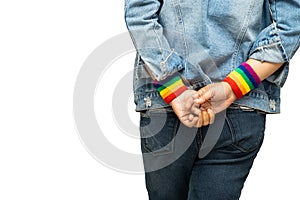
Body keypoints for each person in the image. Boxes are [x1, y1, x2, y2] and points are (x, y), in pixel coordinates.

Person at [124, 0, 300, 199]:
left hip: (166, 104)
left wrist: (175, 89)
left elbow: (139, 14)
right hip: (240, 105)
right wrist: (231, 87)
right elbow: (291, 23)